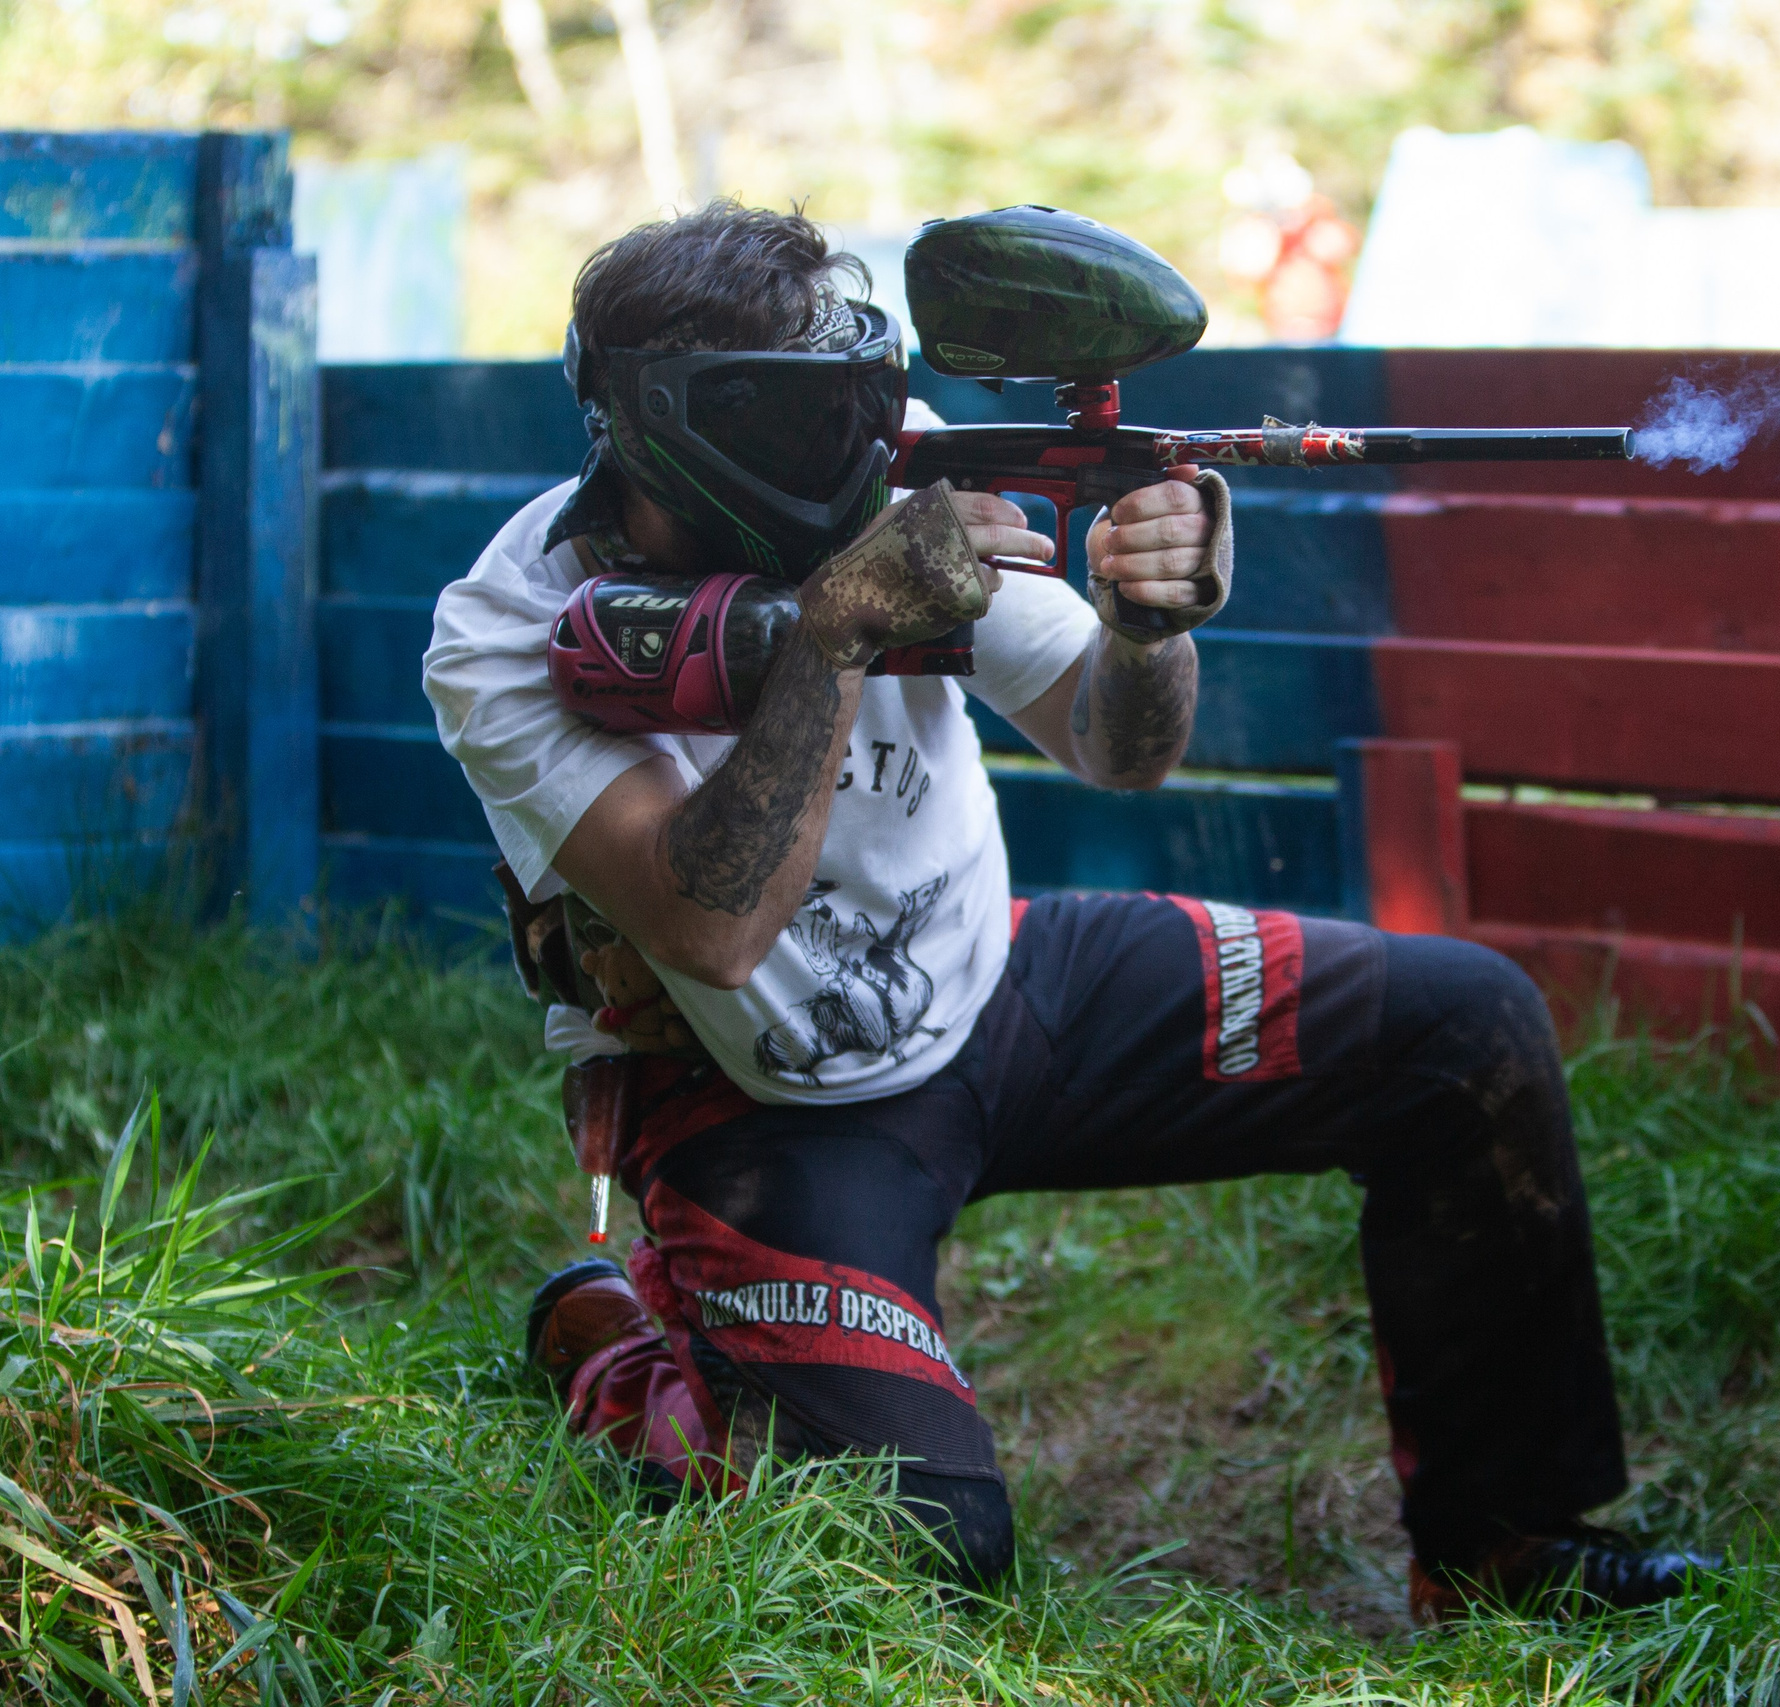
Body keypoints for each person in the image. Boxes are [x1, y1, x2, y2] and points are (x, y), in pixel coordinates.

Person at [424, 199, 1714, 1622]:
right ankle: (613, 1348)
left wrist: (1150, 626)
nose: (859, 442)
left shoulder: (877, 452)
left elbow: (1122, 744)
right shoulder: (501, 633)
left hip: (1007, 991)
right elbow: (709, 930)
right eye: (811, 419)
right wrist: (843, 626)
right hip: (753, 1096)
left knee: (1464, 1027)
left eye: (860, 397)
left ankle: (1504, 1544)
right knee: (913, 1553)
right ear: (679, 426)